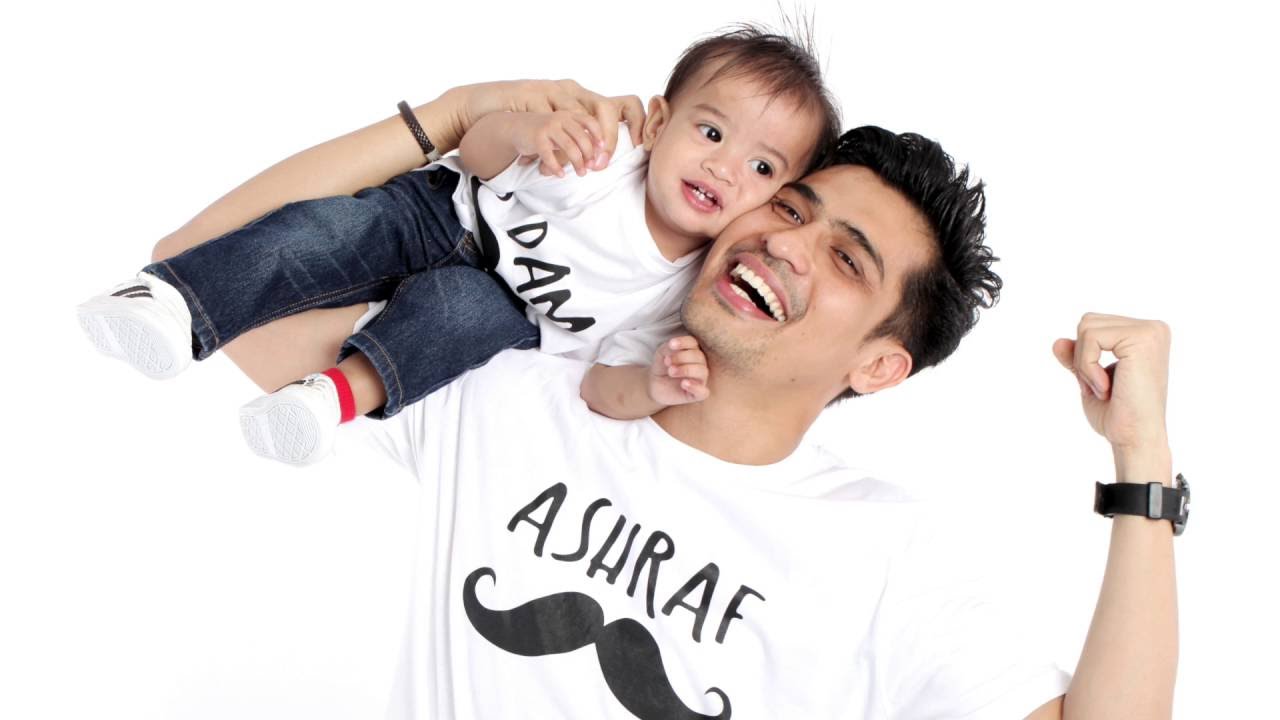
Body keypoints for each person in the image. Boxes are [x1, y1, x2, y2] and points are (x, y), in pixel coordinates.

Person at [143, 80, 1179, 719]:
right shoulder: (511, 385)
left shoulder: (884, 554)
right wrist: (456, 118)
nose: (786, 244)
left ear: (877, 367)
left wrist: (1142, 459)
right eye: (789, 207)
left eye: (844, 259)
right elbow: (207, 271)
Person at [75, 25, 841, 467]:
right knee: (333, 233)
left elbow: (602, 386)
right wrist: (527, 130)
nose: (724, 167)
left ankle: (328, 400)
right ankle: (169, 300)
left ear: (779, 197)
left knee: (455, 322)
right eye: (711, 131)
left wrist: (653, 386)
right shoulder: (603, 152)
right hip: (446, 214)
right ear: (661, 120)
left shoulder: (674, 297)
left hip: (500, 306)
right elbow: (476, 150)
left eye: (762, 169)